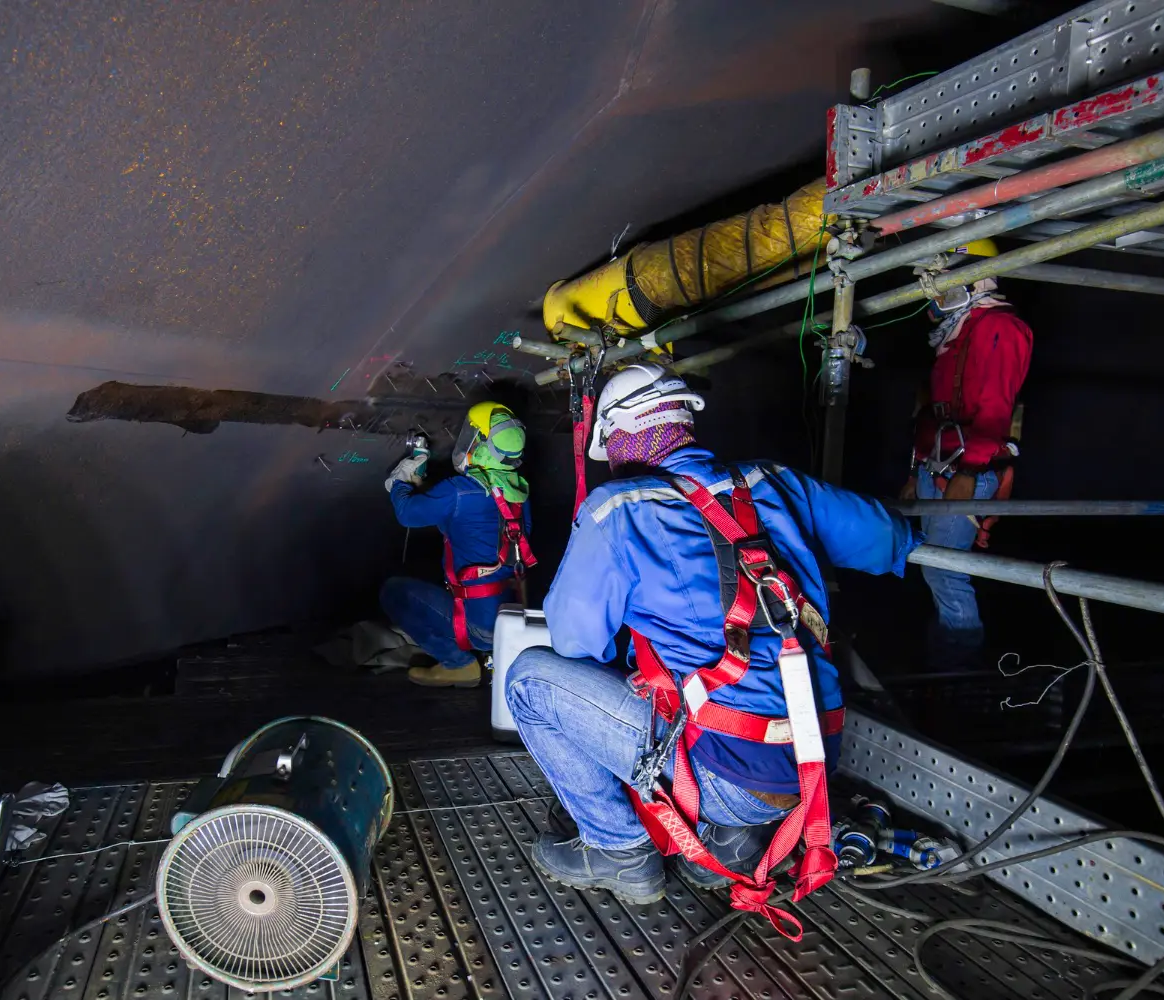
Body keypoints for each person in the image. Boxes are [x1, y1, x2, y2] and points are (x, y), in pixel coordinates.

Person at [505, 363, 920, 909]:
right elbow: (889, 540)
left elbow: (575, 645)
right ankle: (731, 843)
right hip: (815, 762)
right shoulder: (774, 481)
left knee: (531, 679)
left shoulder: (617, 509)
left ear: (618, 436)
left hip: (726, 775)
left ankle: (618, 847)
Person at [904, 243, 1033, 667]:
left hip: (966, 468)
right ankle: (945, 656)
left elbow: (995, 409)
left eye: (942, 287)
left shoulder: (999, 328)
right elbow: (932, 409)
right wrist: (916, 468)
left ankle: (958, 668)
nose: (934, 300)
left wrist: (970, 471)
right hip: (938, 463)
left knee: (944, 570)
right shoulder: (958, 334)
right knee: (931, 565)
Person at [382, 401, 536, 688]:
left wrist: (402, 480)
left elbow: (407, 514)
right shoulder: (520, 493)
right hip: (510, 622)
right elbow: (470, 526)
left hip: (477, 627)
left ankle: (459, 664)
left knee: (394, 592)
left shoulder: (458, 491)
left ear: (479, 443)